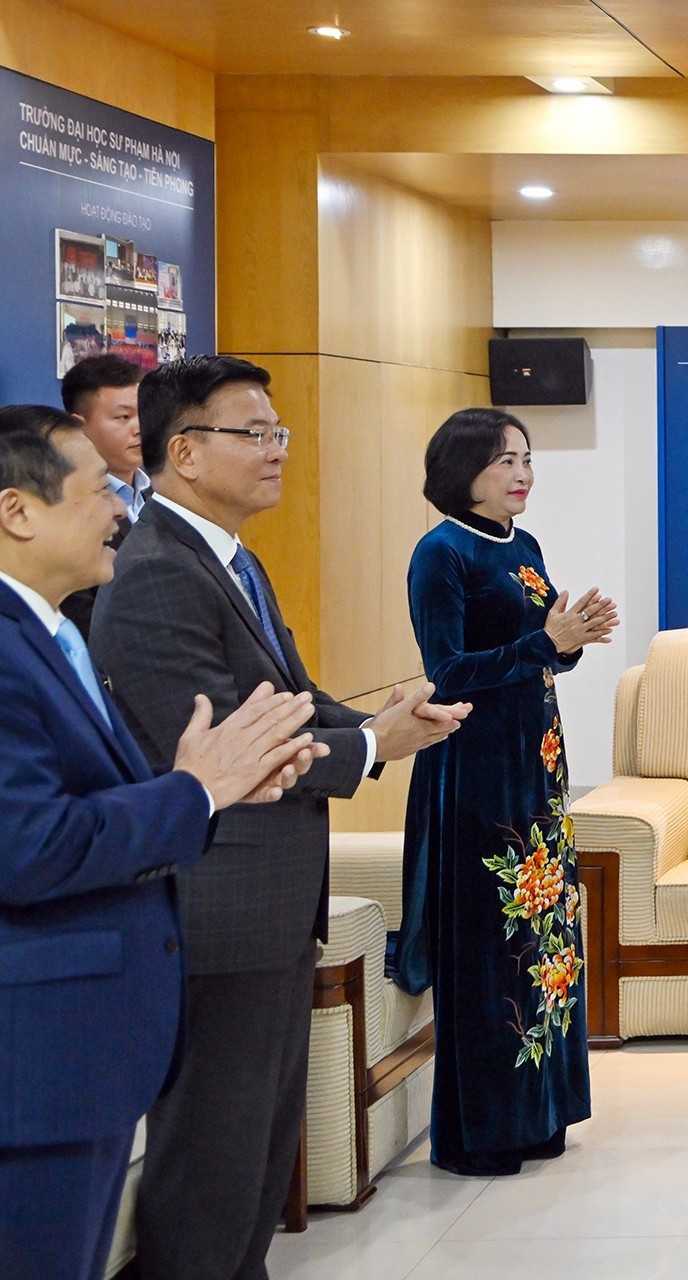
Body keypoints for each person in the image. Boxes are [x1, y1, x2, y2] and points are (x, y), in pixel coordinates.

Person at [88, 355, 470, 1280]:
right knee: (213, 1159)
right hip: (218, 905)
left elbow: (290, 701)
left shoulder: (228, 557)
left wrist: (382, 723)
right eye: (252, 433)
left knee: (257, 1154)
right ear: (184, 451)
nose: (276, 451)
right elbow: (226, 742)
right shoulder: (155, 572)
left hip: (270, 906)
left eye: (278, 432)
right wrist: (370, 746)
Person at [0, 418, 321, 1280]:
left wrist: (203, 785)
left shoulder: (51, 634)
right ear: (17, 512)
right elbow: (30, 846)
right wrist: (195, 792)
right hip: (36, 1054)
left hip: (85, 1048)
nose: (119, 510)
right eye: (97, 492)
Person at [396, 409, 612, 1176]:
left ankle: (539, 1115)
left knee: (543, 945)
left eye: (526, 459)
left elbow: (543, 651)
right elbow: (449, 672)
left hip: (537, 766)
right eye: (504, 461)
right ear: (463, 471)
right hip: (477, 769)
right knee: (492, 949)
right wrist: (544, 643)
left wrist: (570, 639)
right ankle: (482, 1132)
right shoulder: (441, 553)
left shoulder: (524, 546)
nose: (522, 474)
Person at [56, 356, 146, 638]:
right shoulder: (67, 508)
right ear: (79, 427)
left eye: (144, 412)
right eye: (123, 417)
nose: (139, 427)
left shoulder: (163, 494)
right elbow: (83, 616)